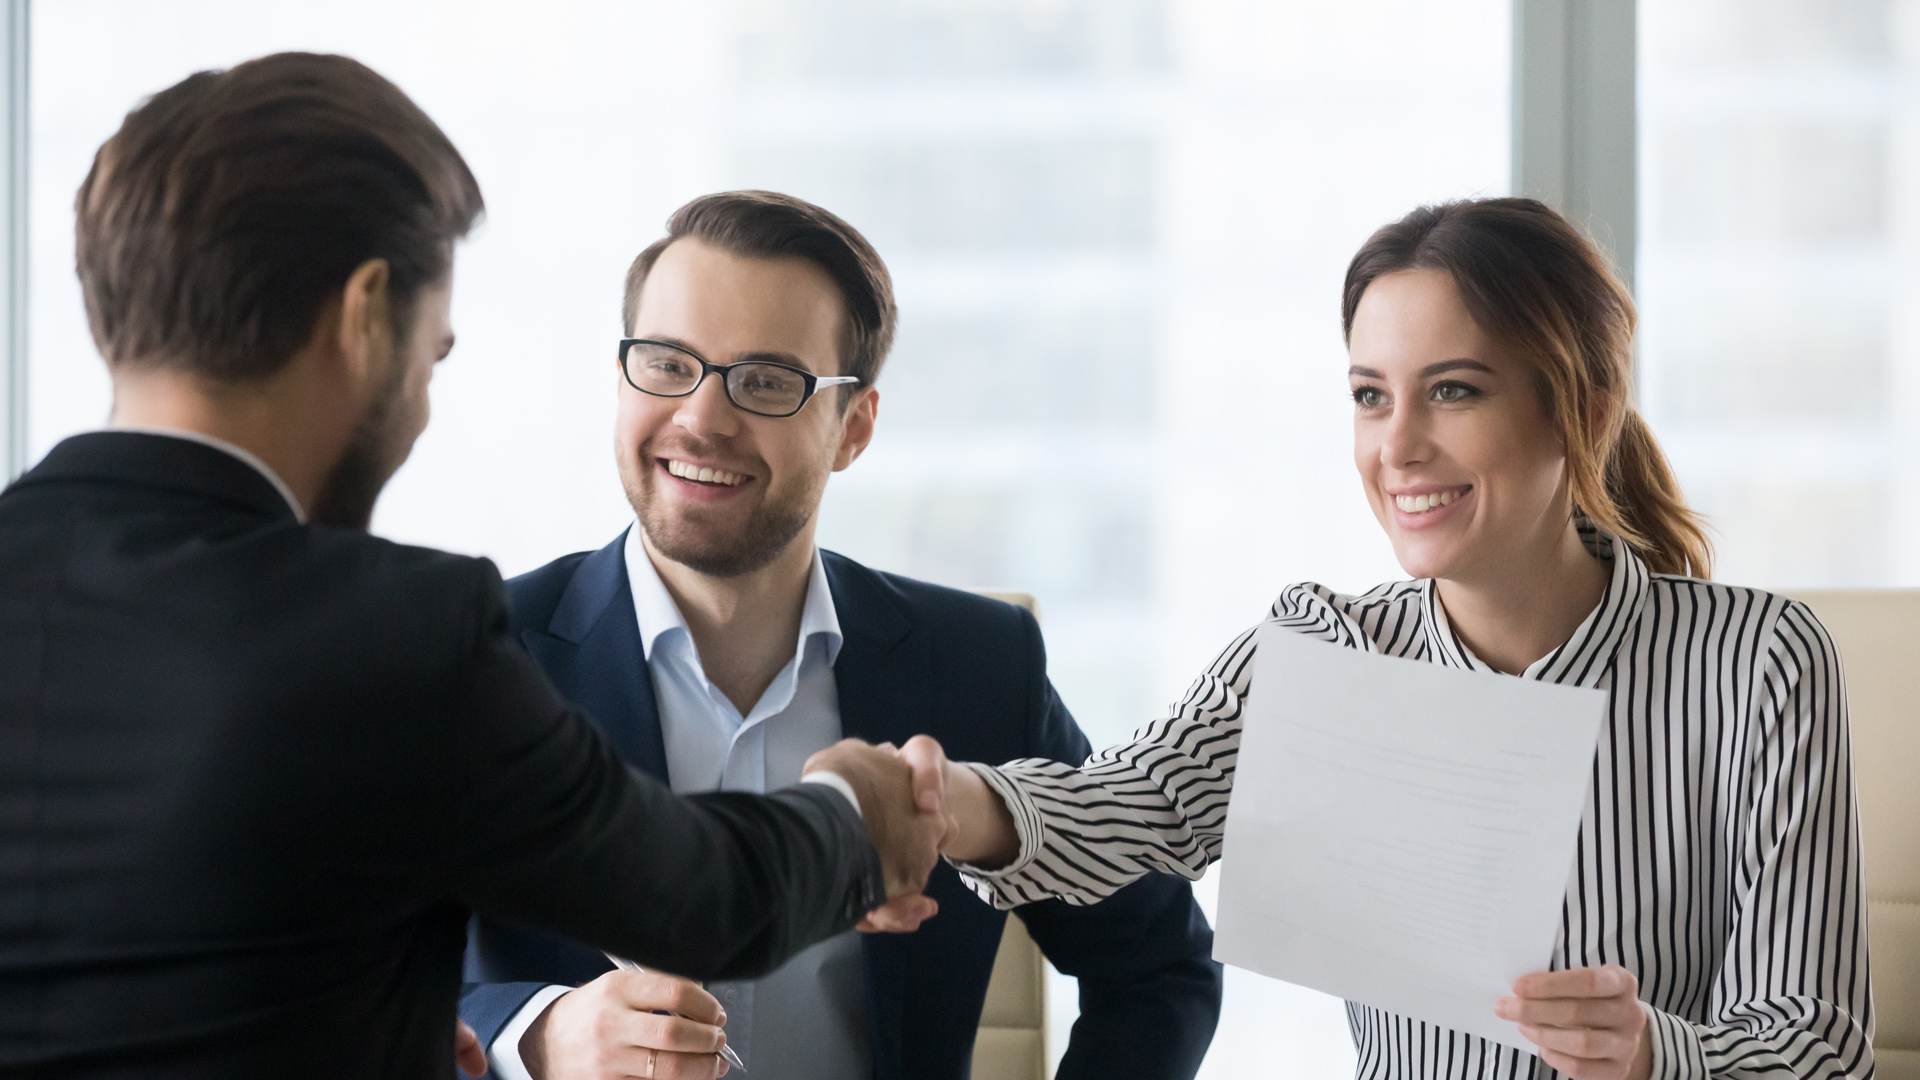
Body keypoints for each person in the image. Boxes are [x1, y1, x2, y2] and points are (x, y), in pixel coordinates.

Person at [0, 54, 943, 1080]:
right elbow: (698, 899)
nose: (420, 403)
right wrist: (855, 811)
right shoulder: (392, 633)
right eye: (432, 352)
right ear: (364, 319)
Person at [881, 198, 1875, 1080]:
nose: (1396, 447)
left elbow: (1818, 1043)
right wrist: (939, 804)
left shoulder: (1760, 662)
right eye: (1370, 395)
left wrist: (1657, 1054)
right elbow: (1135, 804)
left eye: (1454, 391)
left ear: (1585, 408)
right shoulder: (1328, 652)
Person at [458, 190, 1223, 1080]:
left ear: (853, 427)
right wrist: (534, 1037)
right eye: (667, 363)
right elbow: (329, 981)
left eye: (768, 382)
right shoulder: (475, 657)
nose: (702, 418)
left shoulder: (977, 666)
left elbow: (1160, 963)